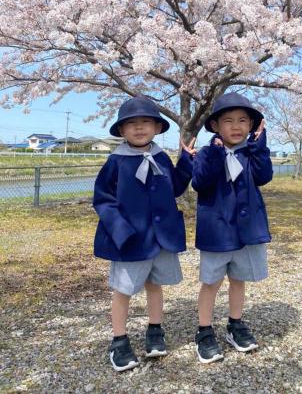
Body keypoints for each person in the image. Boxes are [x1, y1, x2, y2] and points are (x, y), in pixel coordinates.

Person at [93, 96, 196, 372]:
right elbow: (102, 199)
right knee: (123, 289)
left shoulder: (160, 156)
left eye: (146, 122)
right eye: (131, 124)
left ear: (158, 128)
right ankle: (118, 339)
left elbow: (175, 187)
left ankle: (155, 330)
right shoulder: (116, 161)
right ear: (122, 131)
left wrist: (186, 161)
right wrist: (119, 228)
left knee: (155, 284)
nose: (139, 128)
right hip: (130, 239)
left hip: (161, 236)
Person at [192, 92, 273, 363]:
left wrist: (259, 146)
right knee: (211, 282)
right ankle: (204, 330)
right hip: (216, 231)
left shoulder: (252, 153)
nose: (236, 126)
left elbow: (264, 177)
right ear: (215, 126)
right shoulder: (206, 153)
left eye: (242, 120)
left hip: (247, 230)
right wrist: (215, 154)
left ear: (251, 126)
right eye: (228, 121)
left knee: (239, 280)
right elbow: (200, 182)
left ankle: (235, 324)